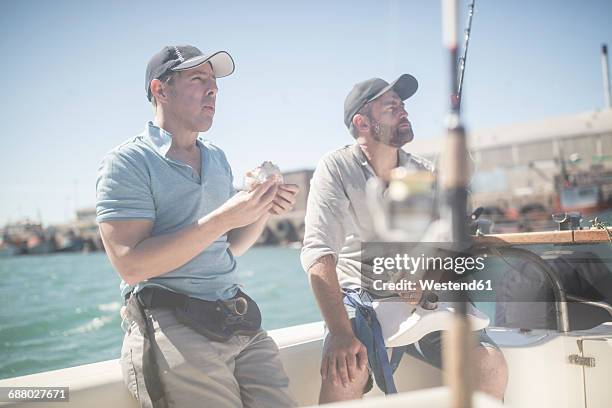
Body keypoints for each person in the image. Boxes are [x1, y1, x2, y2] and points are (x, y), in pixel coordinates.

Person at [96, 45, 298, 408]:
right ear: (160, 90)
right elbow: (131, 264)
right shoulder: (127, 162)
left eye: (215, 82)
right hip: (172, 325)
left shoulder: (217, 158)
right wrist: (225, 217)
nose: (213, 90)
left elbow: (226, 245)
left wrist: (262, 208)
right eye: (198, 78)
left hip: (237, 319)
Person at [300, 74, 508, 403]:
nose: (404, 112)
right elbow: (318, 255)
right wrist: (340, 334)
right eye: (391, 106)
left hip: (424, 302)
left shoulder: (420, 173)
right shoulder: (335, 168)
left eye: (404, 105)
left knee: (489, 363)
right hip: (363, 299)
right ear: (362, 123)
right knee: (346, 369)